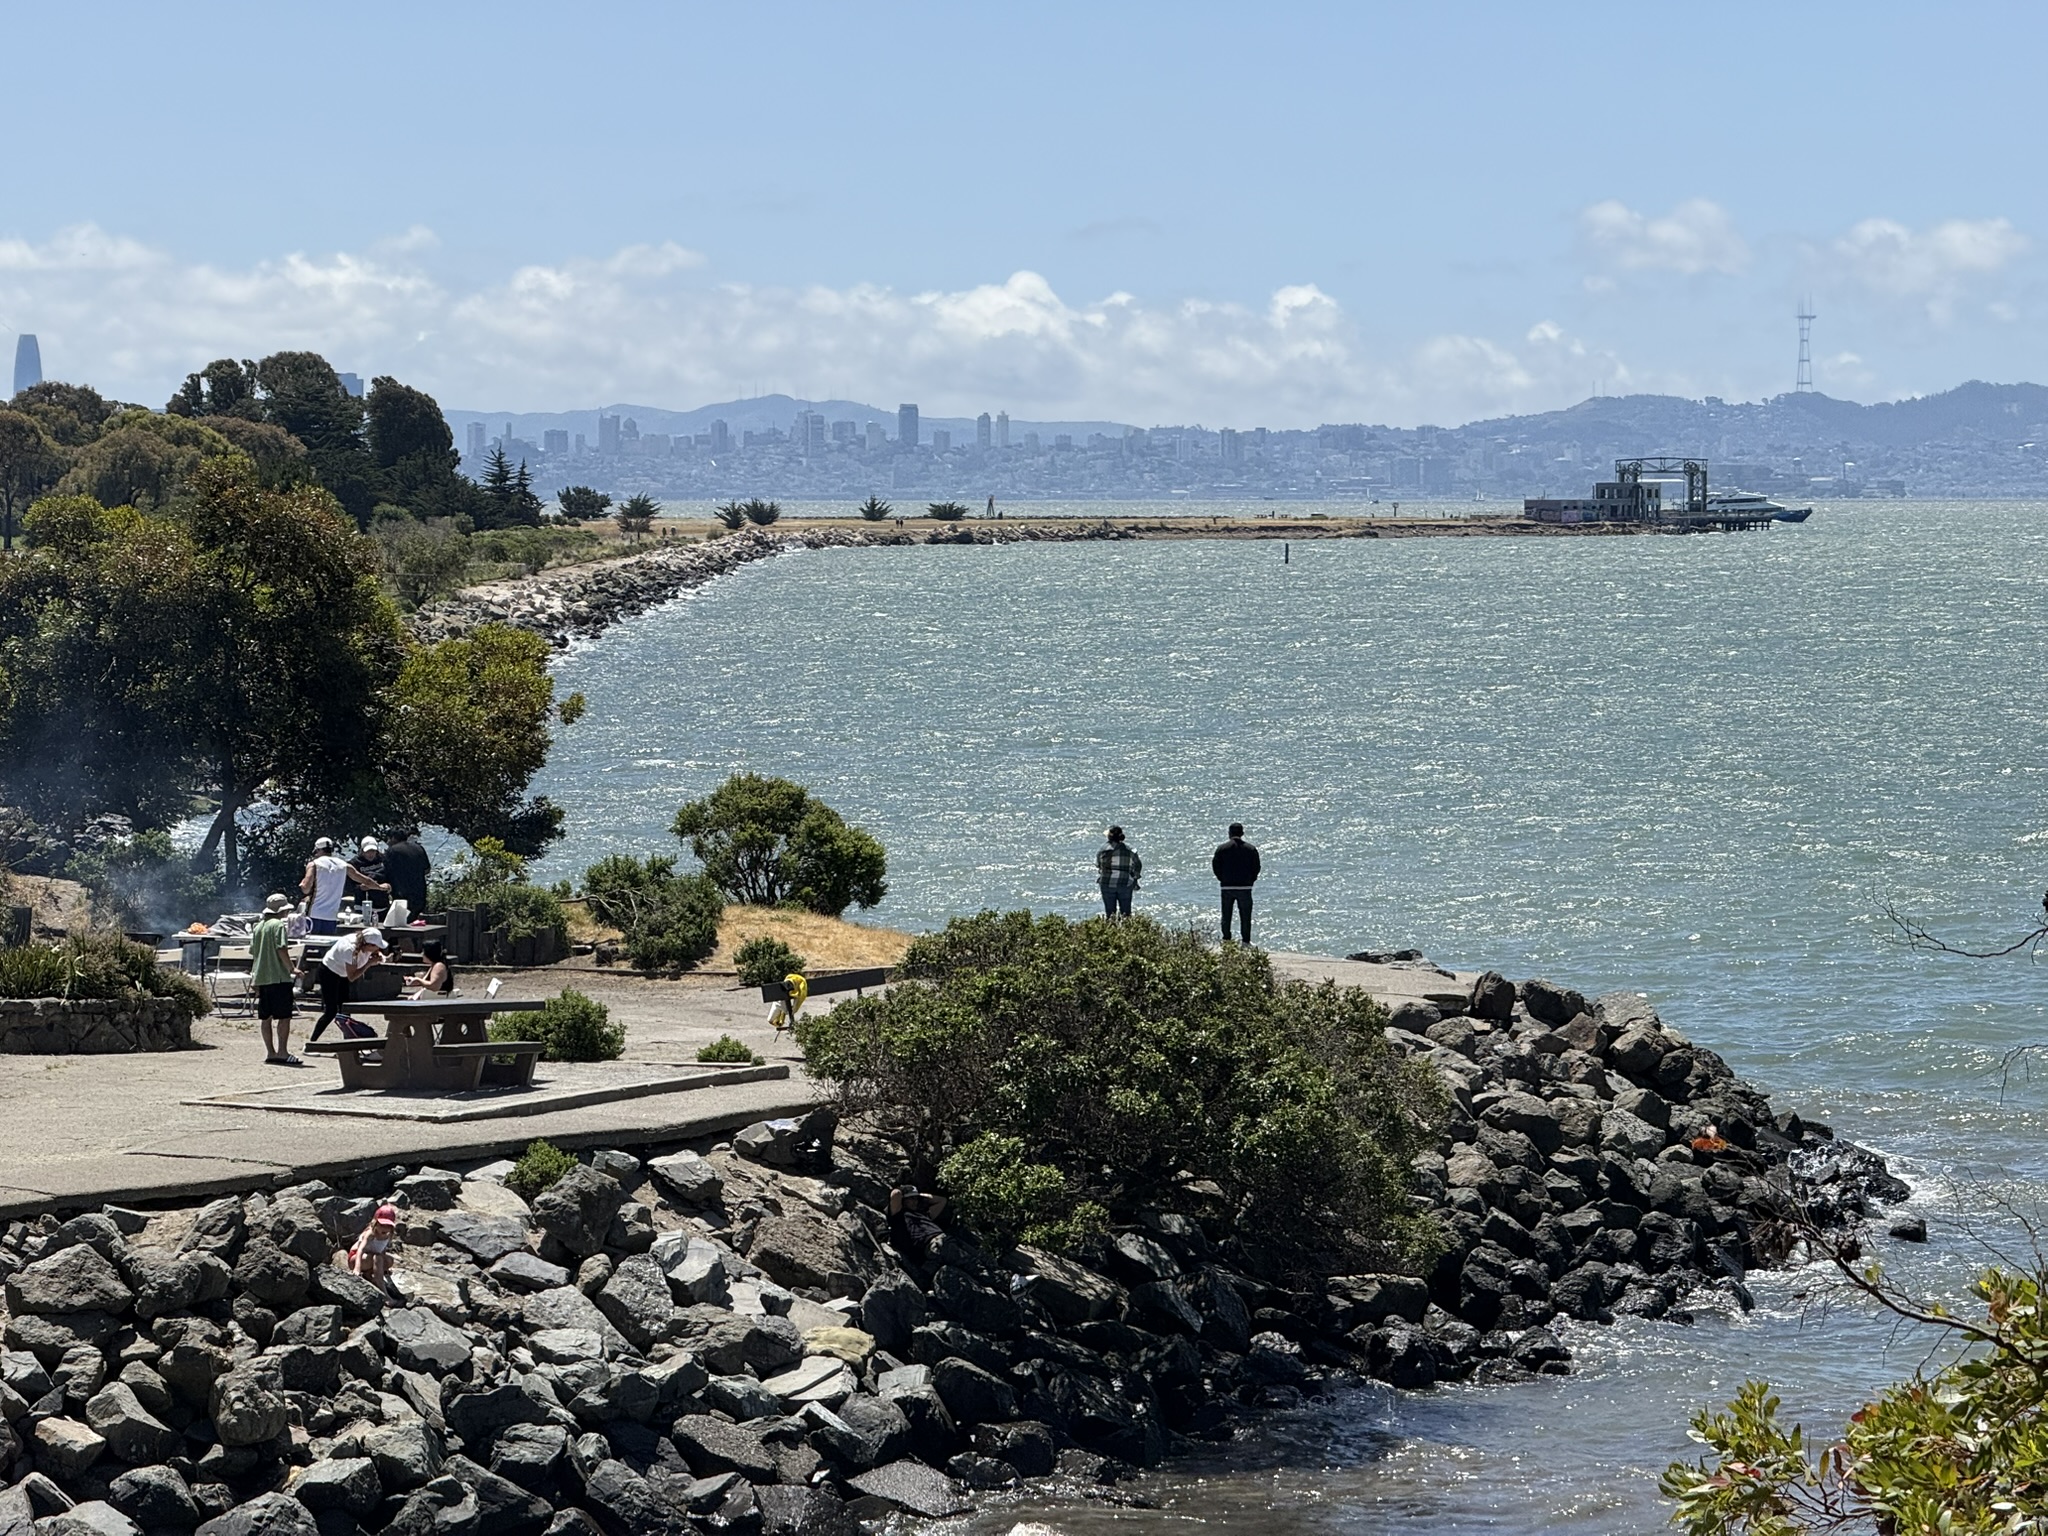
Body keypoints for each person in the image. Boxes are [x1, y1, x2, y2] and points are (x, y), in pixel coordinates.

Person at [309, 926, 389, 1043]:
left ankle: (348, 1042)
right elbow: (352, 976)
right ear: (368, 945)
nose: (378, 948)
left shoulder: (363, 943)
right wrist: (369, 963)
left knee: (345, 1008)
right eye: (376, 946)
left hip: (342, 974)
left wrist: (382, 957)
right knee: (331, 1011)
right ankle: (311, 1042)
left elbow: (375, 952)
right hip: (329, 972)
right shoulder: (350, 950)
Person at [250, 892, 301, 1065]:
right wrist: (292, 968)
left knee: (266, 1018)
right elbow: (281, 948)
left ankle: (270, 1052)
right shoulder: (278, 925)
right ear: (282, 911)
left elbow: (253, 952)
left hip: (262, 977)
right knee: (284, 1017)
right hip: (279, 977)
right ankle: (283, 1052)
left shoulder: (258, 927)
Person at [301, 837, 387, 936]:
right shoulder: (344, 865)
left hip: (314, 914)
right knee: (327, 943)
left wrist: (304, 884)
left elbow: (305, 888)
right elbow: (366, 881)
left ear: (318, 850)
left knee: (310, 943)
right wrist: (380, 887)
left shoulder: (314, 865)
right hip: (331, 916)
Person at [1212, 823, 1262, 944]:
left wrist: (1222, 879)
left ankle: (1226, 939)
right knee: (1245, 916)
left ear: (1229, 833)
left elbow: (1215, 866)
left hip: (1227, 886)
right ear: (1242, 833)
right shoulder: (1250, 849)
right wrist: (1251, 880)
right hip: (1245, 887)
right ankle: (1245, 941)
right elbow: (1256, 867)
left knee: (1226, 915)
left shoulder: (1221, 849)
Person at [347, 1204, 401, 1294]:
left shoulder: (388, 1236)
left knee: (389, 1260)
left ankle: (369, 1273)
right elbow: (360, 1250)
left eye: (388, 1226)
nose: (385, 1228)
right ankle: (379, 1283)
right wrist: (357, 1268)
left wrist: (384, 1267)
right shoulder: (371, 1234)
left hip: (373, 1258)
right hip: (357, 1258)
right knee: (377, 1257)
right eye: (382, 1225)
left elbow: (382, 1250)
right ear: (375, 1223)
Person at [887, 1184, 948, 1262]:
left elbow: (942, 1201)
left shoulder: (922, 1215)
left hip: (943, 1240)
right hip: (932, 1245)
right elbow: (896, 1194)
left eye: (916, 1199)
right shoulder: (899, 1216)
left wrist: (920, 1196)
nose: (915, 1202)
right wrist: (905, 1190)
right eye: (911, 1199)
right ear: (903, 1200)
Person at [382, 827, 431, 916]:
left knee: (401, 920)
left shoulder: (392, 851)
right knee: (417, 920)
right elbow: (427, 869)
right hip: (419, 892)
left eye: (388, 839)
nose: (388, 842)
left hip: (401, 894)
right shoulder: (419, 848)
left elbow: (386, 872)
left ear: (393, 838)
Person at [1096, 825, 1142, 917]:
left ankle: (1112, 925)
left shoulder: (1103, 850)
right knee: (1126, 913)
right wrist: (1135, 877)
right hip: (1125, 883)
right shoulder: (1130, 850)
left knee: (1110, 914)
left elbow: (1098, 865)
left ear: (1109, 837)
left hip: (1107, 883)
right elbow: (1138, 865)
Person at [349, 837, 389, 919]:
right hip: (362, 906)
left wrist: (389, 886)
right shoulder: (354, 863)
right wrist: (360, 888)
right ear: (362, 851)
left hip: (381, 906)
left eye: (373, 851)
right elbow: (348, 885)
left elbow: (391, 876)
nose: (370, 854)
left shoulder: (383, 860)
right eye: (367, 851)